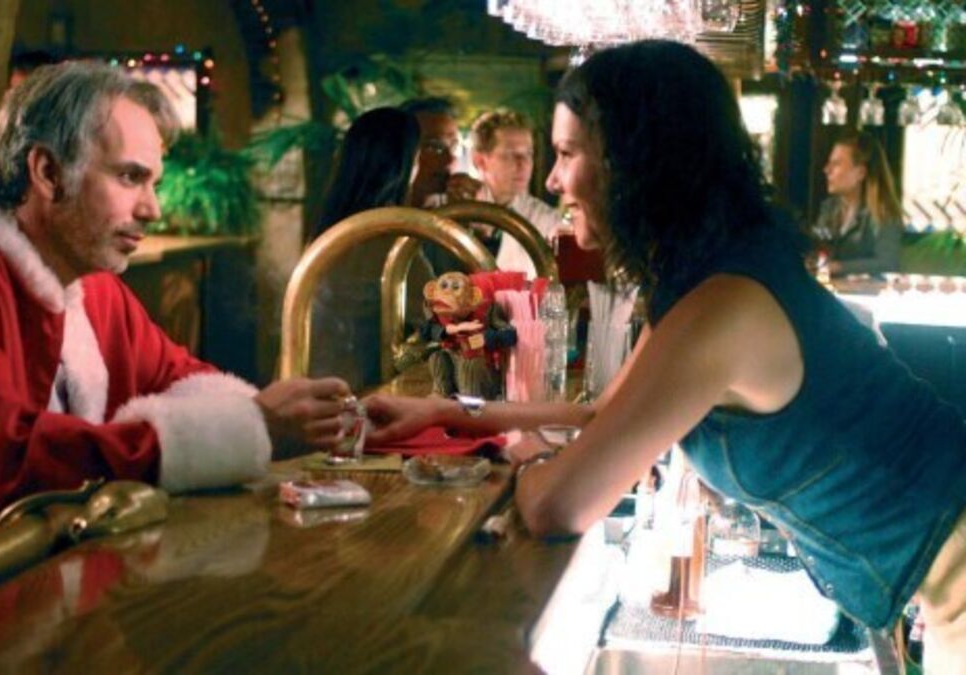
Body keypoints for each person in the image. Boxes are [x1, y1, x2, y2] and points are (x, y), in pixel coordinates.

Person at [365, 40, 965, 671]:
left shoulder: (722, 305)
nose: (551, 180)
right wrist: (449, 412)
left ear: (632, 161)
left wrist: (530, 455)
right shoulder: (708, 276)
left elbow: (557, 507)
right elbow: (605, 410)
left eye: (566, 153)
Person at [0, 61, 349, 599]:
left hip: (25, 596)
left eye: (153, 183)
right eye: (130, 177)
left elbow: (179, 378)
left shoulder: (92, 286)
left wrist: (338, 418)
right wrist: (249, 430)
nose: (153, 208)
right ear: (47, 172)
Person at [307, 106, 432, 392]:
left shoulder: (330, 232)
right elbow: (440, 324)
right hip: (356, 401)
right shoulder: (388, 239)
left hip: (307, 390)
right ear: (404, 165)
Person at [430, 109, 562, 277]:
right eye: (510, 155)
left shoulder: (546, 219)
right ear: (479, 160)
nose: (523, 164)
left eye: (528, 154)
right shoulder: (447, 209)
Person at [812, 130, 903, 277]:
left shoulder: (884, 212)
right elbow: (818, 251)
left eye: (836, 164)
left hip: (867, 290)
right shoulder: (829, 208)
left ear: (860, 173)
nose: (826, 170)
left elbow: (888, 263)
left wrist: (839, 267)